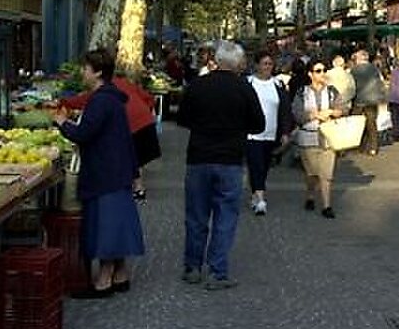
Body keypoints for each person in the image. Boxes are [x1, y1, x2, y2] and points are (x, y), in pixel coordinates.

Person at [53, 49, 146, 299]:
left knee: (106, 226)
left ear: (97, 72)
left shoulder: (101, 100)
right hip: (116, 171)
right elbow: (126, 139)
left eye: (85, 68)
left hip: (104, 172)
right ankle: (120, 274)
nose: (83, 72)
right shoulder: (112, 98)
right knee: (115, 224)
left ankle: (104, 280)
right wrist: (135, 173)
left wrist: (62, 123)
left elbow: (84, 133)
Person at [176, 41, 265, 290]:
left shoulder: (198, 85)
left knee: (196, 215)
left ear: (216, 60)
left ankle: (192, 267)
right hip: (230, 160)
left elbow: (182, 119)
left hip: (198, 158)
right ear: (237, 63)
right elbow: (258, 124)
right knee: (225, 216)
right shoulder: (244, 89)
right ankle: (217, 271)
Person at [62, 73, 159, 203]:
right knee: (136, 157)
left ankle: (136, 188)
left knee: (133, 156)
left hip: (133, 124)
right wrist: (145, 111)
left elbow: (85, 100)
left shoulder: (104, 90)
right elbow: (149, 98)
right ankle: (138, 189)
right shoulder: (124, 83)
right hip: (145, 121)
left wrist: (64, 103)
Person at [293, 58, 346, 218]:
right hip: (308, 138)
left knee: (326, 173)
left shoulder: (331, 91)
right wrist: (315, 115)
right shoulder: (302, 92)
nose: (322, 74)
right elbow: (297, 113)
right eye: (318, 71)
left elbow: (341, 109)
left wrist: (332, 112)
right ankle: (310, 194)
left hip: (328, 136)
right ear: (310, 74)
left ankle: (326, 206)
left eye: (324, 70)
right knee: (312, 173)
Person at [245, 51, 293, 215]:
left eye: (270, 64)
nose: (267, 67)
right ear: (257, 65)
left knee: (264, 166)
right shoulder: (248, 83)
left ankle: (254, 193)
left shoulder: (277, 85)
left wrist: (285, 132)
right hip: (252, 134)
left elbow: (285, 110)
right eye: (264, 63)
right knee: (255, 164)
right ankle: (260, 199)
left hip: (271, 133)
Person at [350, 49, 386, 156]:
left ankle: (359, 145)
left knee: (357, 122)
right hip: (373, 99)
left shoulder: (354, 70)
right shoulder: (375, 69)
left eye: (356, 58)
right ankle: (373, 147)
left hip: (360, 99)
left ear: (359, 58)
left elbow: (351, 86)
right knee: (371, 123)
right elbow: (380, 82)